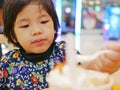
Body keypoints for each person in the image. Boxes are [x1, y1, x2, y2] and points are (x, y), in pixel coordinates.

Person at [0, 0, 120, 90]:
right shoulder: (7, 62)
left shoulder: (63, 51)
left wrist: (100, 64)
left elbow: (85, 67)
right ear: (13, 34)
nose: (37, 30)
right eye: (25, 25)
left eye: (43, 21)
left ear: (54, 26)